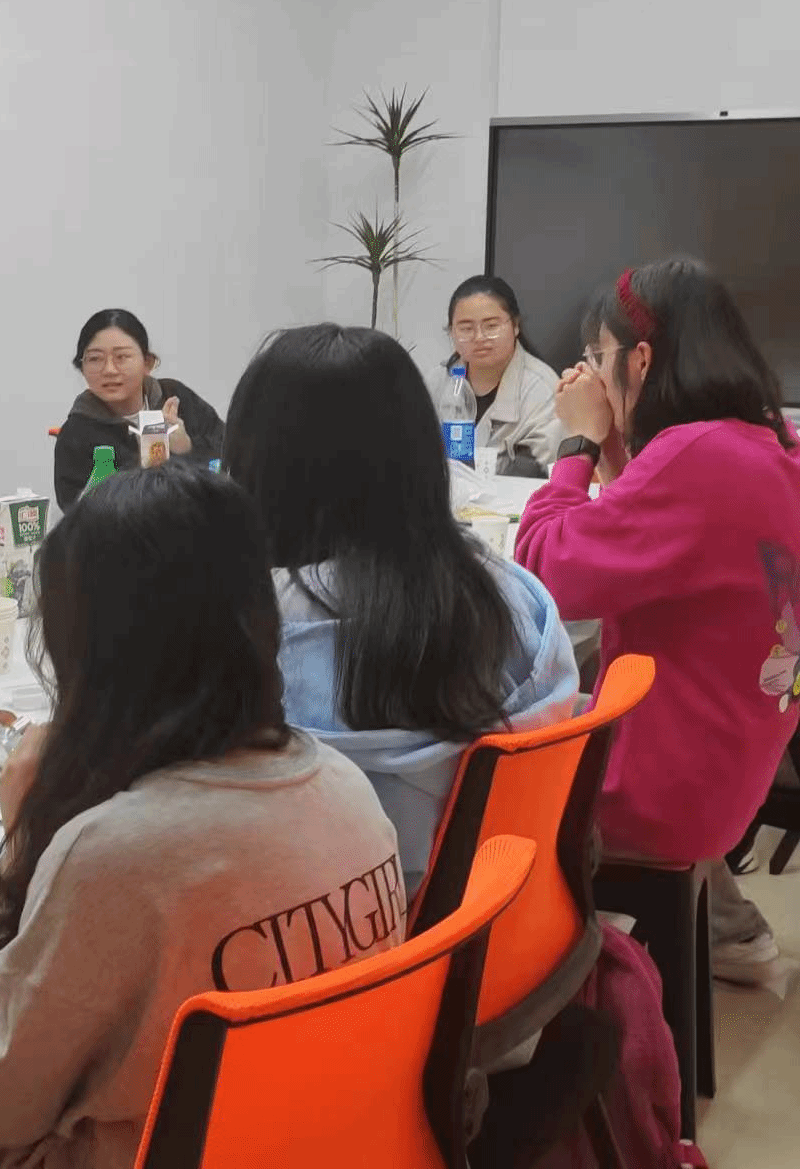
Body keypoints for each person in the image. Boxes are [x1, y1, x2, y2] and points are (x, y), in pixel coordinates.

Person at [0, 465, 402, 1169]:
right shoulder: (348, 789)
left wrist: (24, 848)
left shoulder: (115, 854)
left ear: (93, 657)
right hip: (309, 1141)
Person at [512, 259, 800, 983]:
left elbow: (544, 570)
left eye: (598, 355)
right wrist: (612, 438)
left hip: (663, 788)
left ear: (641, 360)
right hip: (729, 765)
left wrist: (577, 444)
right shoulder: (775, 440)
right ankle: (715, 930)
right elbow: (652, 534)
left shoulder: (698, 454)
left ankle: (526, 991)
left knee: (461, 768)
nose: (592, 372)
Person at [226, 323, 578, 894]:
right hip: (496, 904)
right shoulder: (511, 593)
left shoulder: (252, 631)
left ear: (256, 462)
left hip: (335, 929)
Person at [52, 309, 224, 511]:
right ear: (82, 368)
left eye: (122, 357)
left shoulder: (175, 398)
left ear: (147, 363)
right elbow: (76, 512)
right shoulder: (76, 432)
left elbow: (231, 453)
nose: (109, 370)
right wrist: (141, 462)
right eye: (95, 359)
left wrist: (187, 448)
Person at [436, 275, 565, 476]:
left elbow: (534, 474)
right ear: (452, 332)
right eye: (466, 329)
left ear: (515, 325)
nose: (479, 337)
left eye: (491, 326)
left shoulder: (544, 389)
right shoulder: (438, 380)